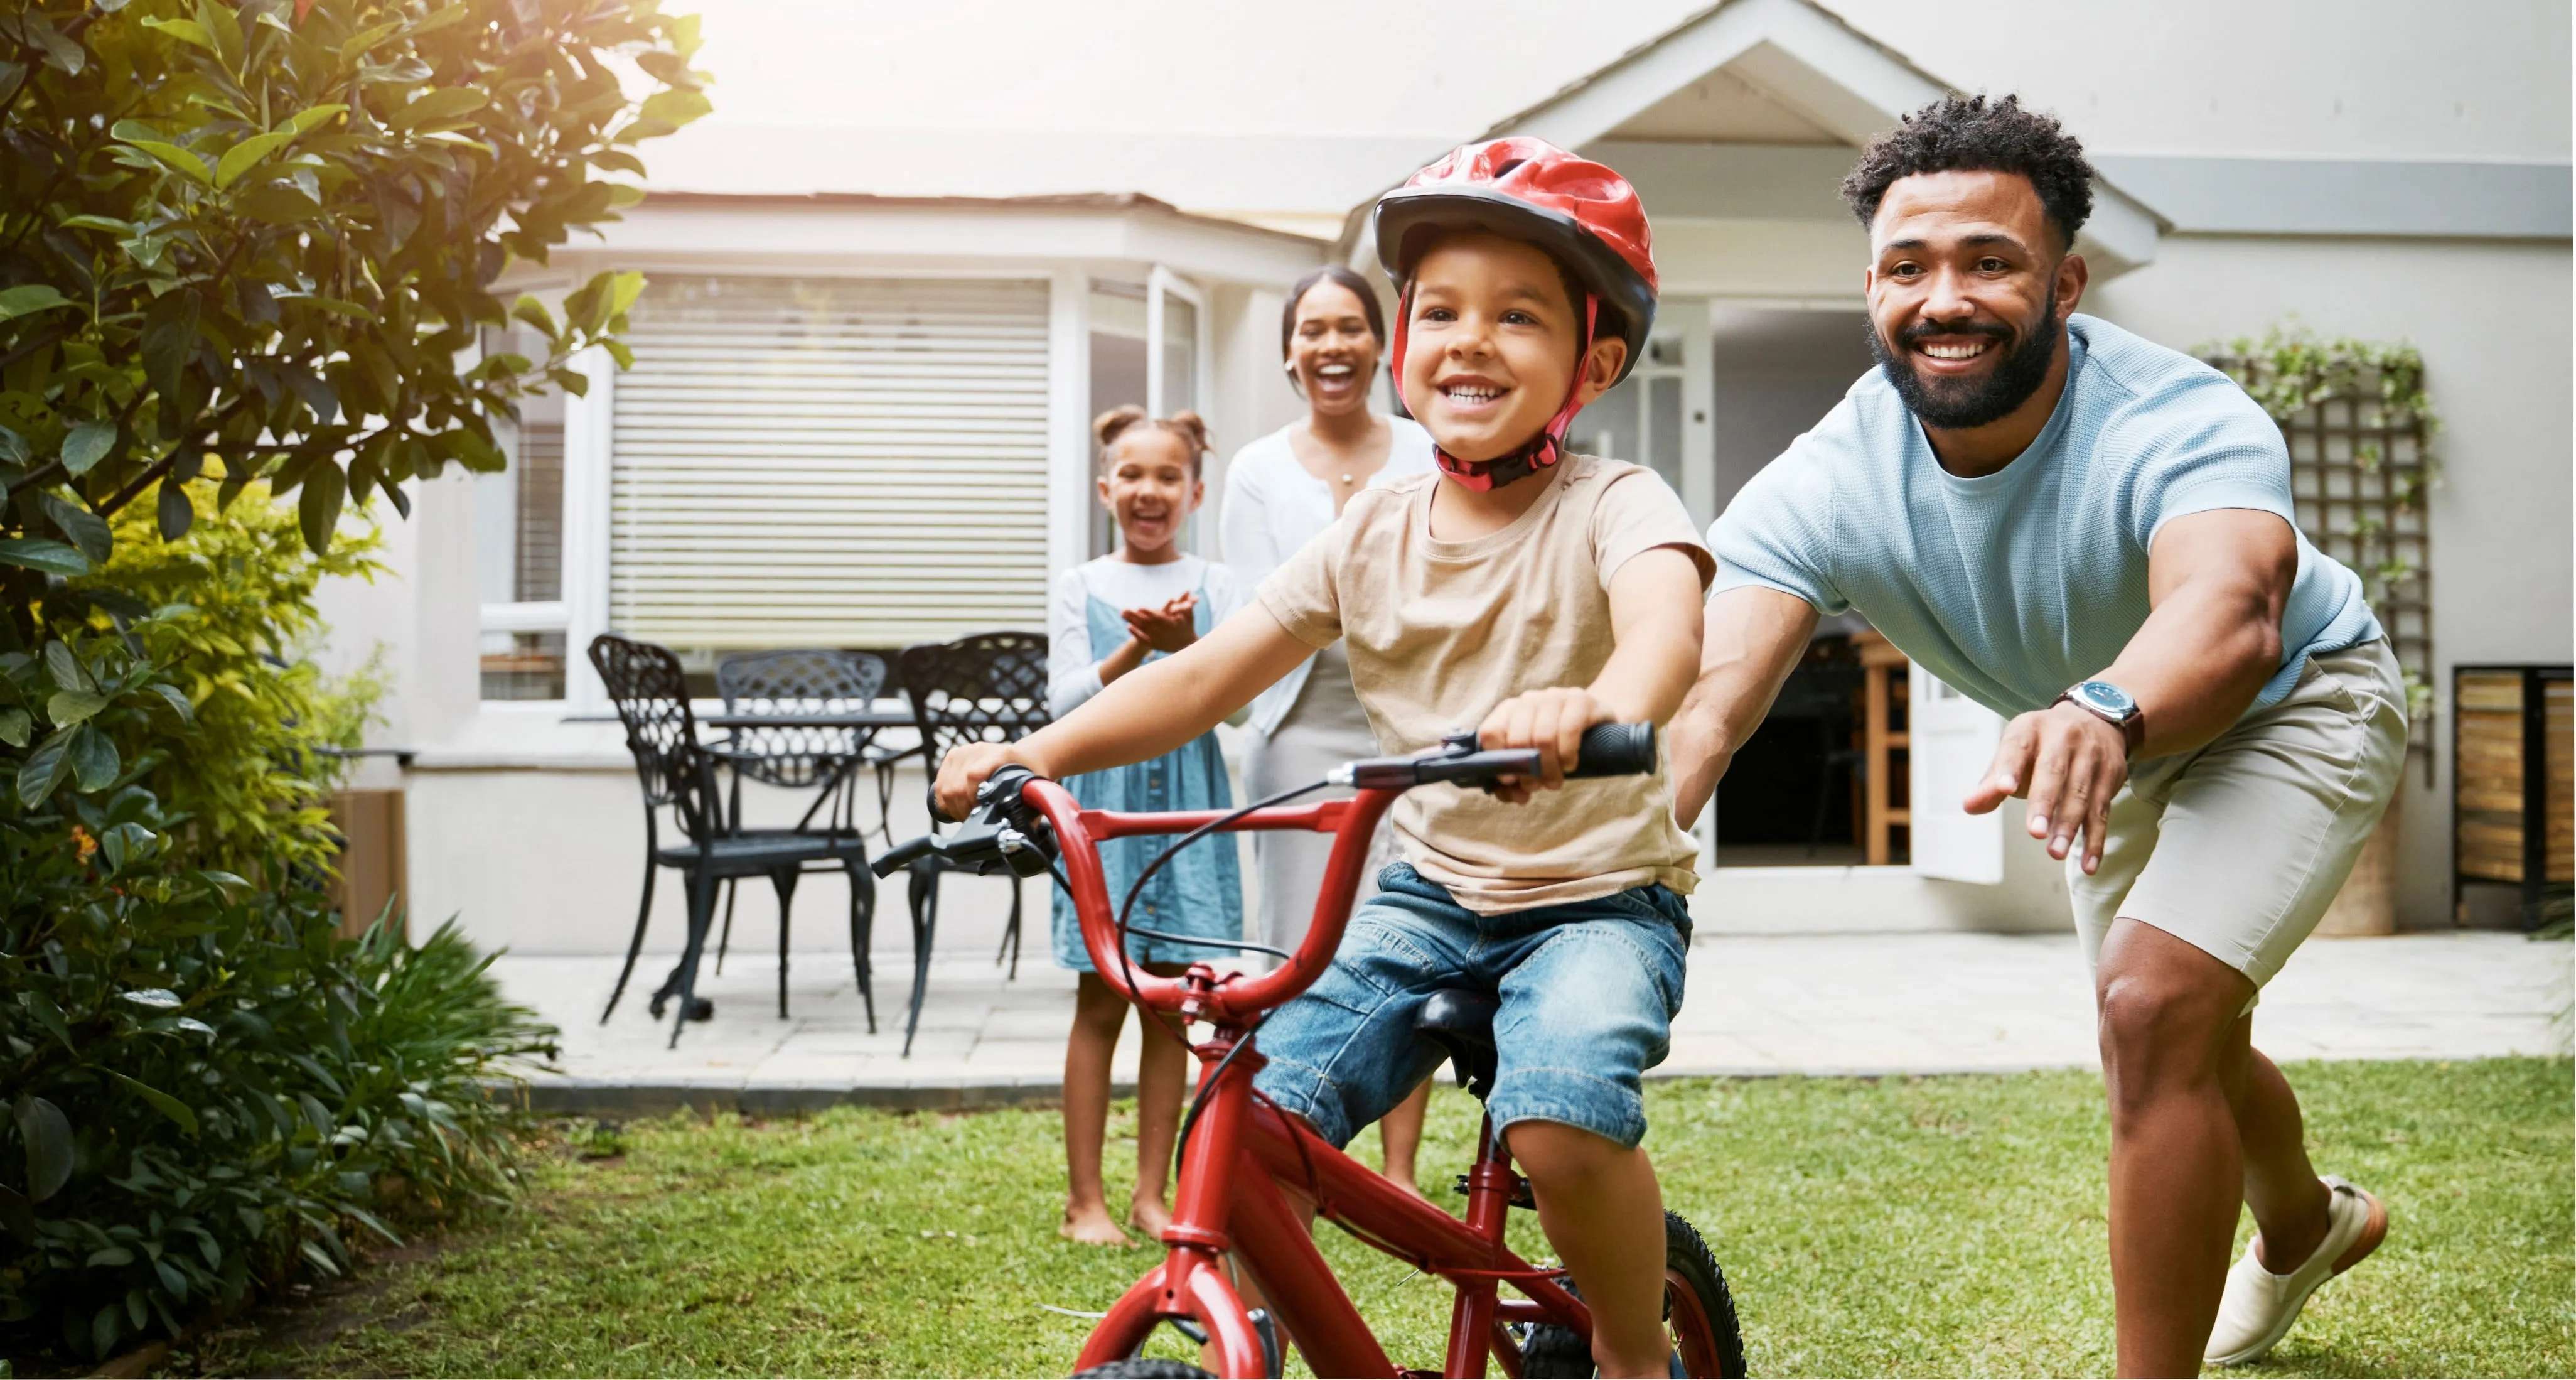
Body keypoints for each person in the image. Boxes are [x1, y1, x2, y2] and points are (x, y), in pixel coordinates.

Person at [943, 138, 1709, 1378]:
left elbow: (1667, 627)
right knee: (1255, 1123)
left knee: (1563, 1117)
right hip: (1425, 893)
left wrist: (1592, 703)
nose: (1470, 338)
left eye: (1519, 316)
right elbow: (1206, 674)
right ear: (1405, 345)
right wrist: (1030, 750)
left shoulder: (1615, 502)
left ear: (1596, 361)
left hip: (1594, 902)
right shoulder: (1372, 531)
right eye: (1444, 310)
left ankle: (1630, 1353)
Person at [1667, 96, 2403, 1377]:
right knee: (2179, 1028)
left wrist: (2102, 705)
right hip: (2100, 738)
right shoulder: (1832, 472)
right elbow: (1711, 692)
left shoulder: (2179, 418)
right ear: (1874, 287)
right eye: (1909, 267)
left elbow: (2230, 614)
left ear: (2065, 281)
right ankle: (2304, 1221)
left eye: (1989, 263)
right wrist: (1625, 815)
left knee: (2152, 1006)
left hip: (2293, 704)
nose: (1943, 297)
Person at [1218, 264, 1439, 1195]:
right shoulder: (1258, 469)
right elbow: (1255, 611)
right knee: (1295, 945)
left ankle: (1396, 1169)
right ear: (1289, 352)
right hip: (1297, 726)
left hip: (1413, 730)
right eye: (1312, 330)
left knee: (1412, 933)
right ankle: (1293, 1147)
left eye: (1350, 327)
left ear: (1380, 345)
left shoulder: (1430, 449)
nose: (1331, 346)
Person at [1045, 406, 1248, 1246]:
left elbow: (1239, 706)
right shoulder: (1081, 585)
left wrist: (1191, 642)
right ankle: (1083, 1199)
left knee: (1176, 1007)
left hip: (1188, 818)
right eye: (1131, 474)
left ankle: (1150, 1195)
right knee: (1102, 1001)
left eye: (1168, 476)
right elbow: (1059, 706)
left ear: (1194, 491)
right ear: (1105, 489)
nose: (1148, 489)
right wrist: (1138, 651)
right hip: (1109, 817)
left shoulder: (1220, 586)